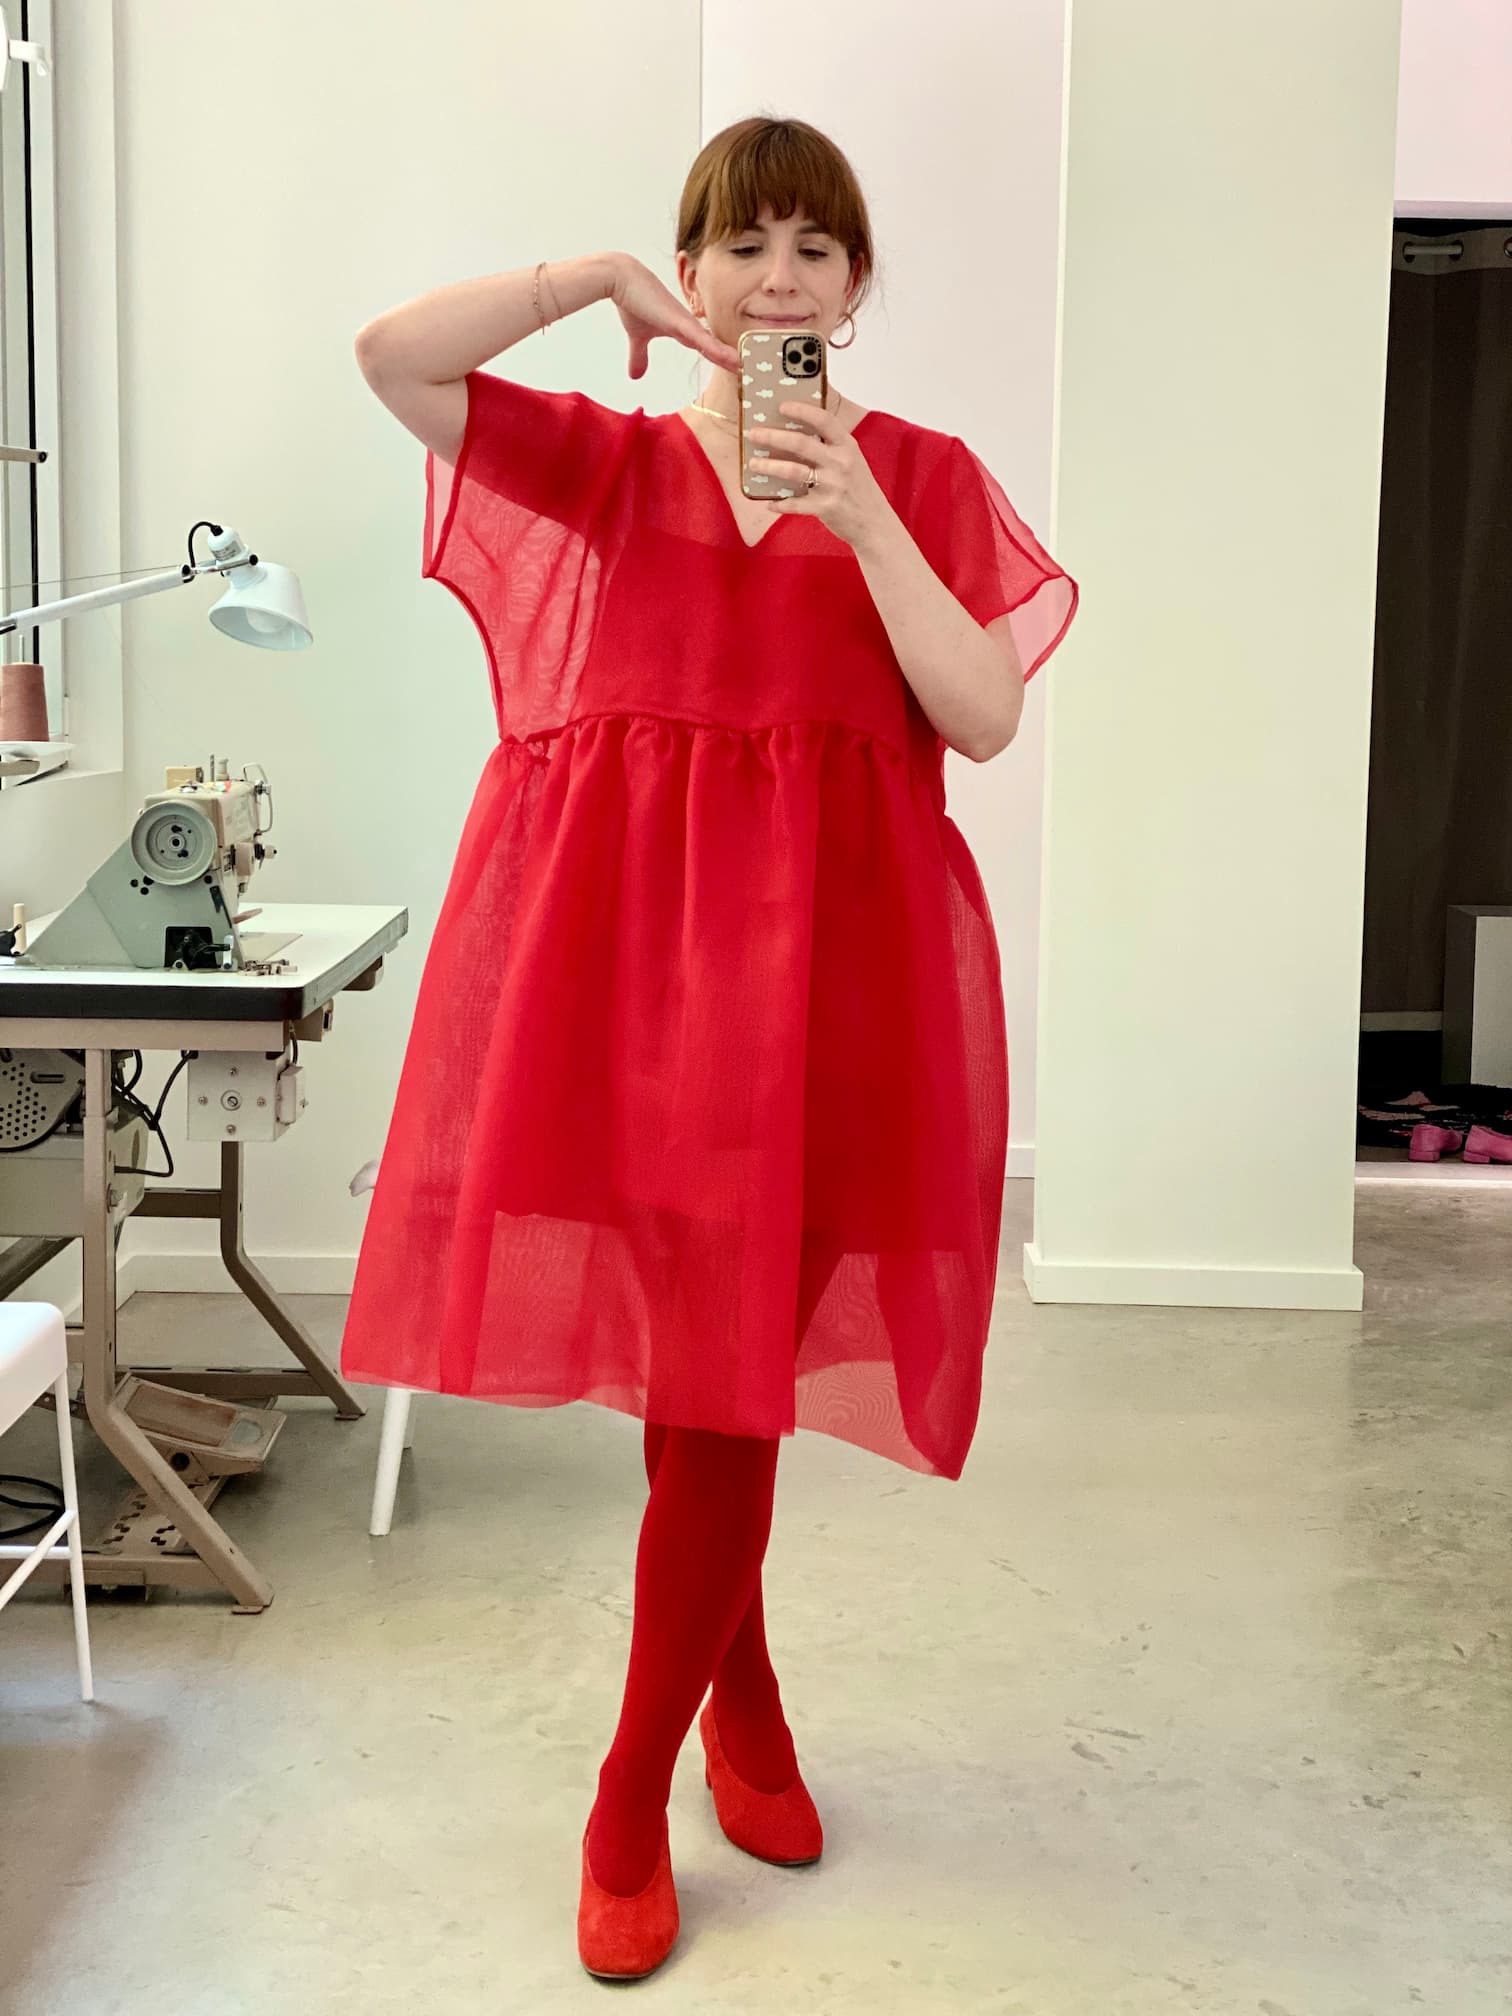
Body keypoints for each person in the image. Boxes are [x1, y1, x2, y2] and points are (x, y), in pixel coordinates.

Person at [340, 115, 1078, 1983]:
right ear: (703, 270)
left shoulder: (915, 477)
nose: (778, 282)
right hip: (640, 998)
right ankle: (649, 1774)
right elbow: (394, 358)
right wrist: (588, 283)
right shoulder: (611, 470)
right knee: (718, 1396)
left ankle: (712, 1721)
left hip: (837, 996)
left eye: (814, 252)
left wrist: (861, 517)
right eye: (742, 248)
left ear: (856, 286)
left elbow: (982, 715)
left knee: (723, 1391)